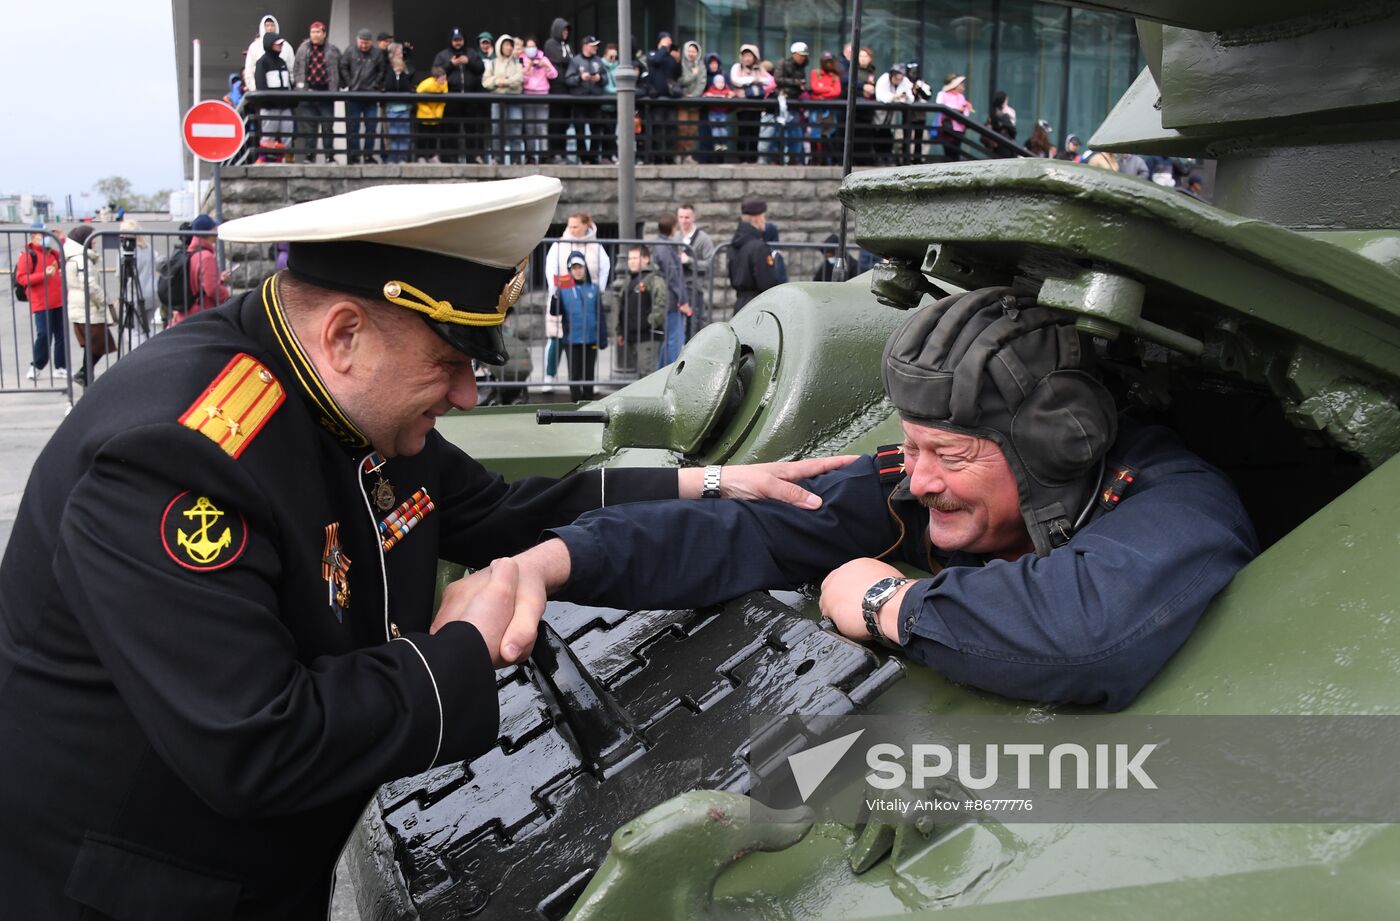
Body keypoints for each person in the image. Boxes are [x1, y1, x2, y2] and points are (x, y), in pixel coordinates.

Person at [0, 177, 848, 920]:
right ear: (344, 335)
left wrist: (713, 481)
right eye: (447, 361)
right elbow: (258, 742)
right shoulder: (179, 454)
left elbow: (503, 510)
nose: (469, 392)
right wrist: (465, 645)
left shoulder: (338, 393)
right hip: (145, 891)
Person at [480, 286, 1260, 713]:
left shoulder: (1178, 499)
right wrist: (559, 558)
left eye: (947, 454)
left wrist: (889, 600)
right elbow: (741, 529)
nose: (915, 480)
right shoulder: (920, 487)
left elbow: (1086, 632)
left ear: (1056, 446)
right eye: (912, 446)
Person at [542, 213, 611, 392]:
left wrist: (598, 290)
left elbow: (605, 267)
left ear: (585, 226)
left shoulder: (596, 246)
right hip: (563, 297)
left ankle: (588, 382)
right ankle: (549, 375)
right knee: (556, 338)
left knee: (588, 344)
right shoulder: (559, 245)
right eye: (570, 226)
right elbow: (550, 268)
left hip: (587, 297)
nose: (571, 229)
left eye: (575, 226)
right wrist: (555, 290)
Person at [64, 224, 117, 387]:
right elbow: (89, 285)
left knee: (93, 346)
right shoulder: (81, 259)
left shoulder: (76, 257)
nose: (94, 242)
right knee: (100, 344)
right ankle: (84, 374)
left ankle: (85, 376)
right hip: (88, 308)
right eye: (91, 239)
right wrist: (105, 300)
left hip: (82, 307)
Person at [549, 252, 607, 401]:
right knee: (574, 375)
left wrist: (602, 337)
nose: (577, 270)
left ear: (585, 267)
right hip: (572, 340)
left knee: (589, 374)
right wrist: (555, 296)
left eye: (580, 266)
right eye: (574, 267)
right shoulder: (563, 290)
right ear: (569, 270)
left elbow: (600, 314)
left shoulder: (594, 289)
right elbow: (555, 312)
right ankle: (575, 402)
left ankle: (588, 401)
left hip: (591, 340)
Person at [605, 243, 668, 376]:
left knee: (647, 375)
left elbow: (661, 304)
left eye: (635, 258)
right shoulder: (630, 280)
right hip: (632, 336)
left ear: (646, 258)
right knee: (641, 375)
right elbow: (622, 306)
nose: (631, 262)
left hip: (647, 336)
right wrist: (620, 331)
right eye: (629, 259)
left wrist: (648, 323)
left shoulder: (654, 279)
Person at [17, 224, 66, 383]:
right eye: (42, 234)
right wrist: (43, 275)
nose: (46, 237)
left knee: (61, 335)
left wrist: (62, 237)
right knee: (44, 334)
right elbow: (22, 278)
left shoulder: (53, 253)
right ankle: (37, 366)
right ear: (34, 236)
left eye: (48, 234)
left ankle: (60, 367)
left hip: (58, 300)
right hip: (41, 302)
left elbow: (67, 256)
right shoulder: (28, 255)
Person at [431, 28, 486, 164]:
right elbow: (435, 72)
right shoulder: (443, 55)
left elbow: (481, 68)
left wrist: (468, 62)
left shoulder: (472, 53)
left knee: (472, 130)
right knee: (450, 131)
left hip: (471, 97)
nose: (458, 43)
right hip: (451, 98)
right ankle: (451, 159)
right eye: (455, 40)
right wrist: (451, 64)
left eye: (460, 40)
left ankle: (472, 159)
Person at [292, 21, 341, 164]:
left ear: (324, 34)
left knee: (327, 126)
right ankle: (309, 156)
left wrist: (338, 86)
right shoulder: (303, 49)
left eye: (318, 32)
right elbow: (296, 69)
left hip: (326, 92)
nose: (315, 35)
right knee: (310, 127)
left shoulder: (333, 50)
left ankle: (329, 155)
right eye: (313, 32)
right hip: (308, 92)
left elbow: (340, 68)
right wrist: (299, 86)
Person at [727, 197, 783, 311]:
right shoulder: (759, 248)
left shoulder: (734, 244)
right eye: (763, 216)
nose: (764, 220)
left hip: (740, 305)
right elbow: (767, 283)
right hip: (758, 306)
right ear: (756, 219)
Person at [340, 28, 387, 164]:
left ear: (371, 42)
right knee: (353, 126)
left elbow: (381, 70)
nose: (364, 45)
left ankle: (368, 155)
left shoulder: (377, 54)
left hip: (371, 96)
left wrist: (376, 85)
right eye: (362, 42)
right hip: (354, 94)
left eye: (366, 43)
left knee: (371, 127)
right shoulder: (350, 51)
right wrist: (349, 82)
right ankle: (354, 154)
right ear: (357, 40)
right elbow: (343, 66)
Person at [650, 213, 689, 366]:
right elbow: (672, 275)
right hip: (671, 299)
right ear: (672, 228)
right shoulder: (665, 247)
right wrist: (683, 300)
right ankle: (670, 371)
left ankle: (662, 371)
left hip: (668, 297)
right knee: (674, 338)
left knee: (669, 339)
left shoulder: (660, 245)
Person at [564, 36, 609, 164]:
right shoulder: (575, 61)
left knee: (597, 129)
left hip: (595, 100)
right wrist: (580, 77)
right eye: (593, 45)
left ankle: (594, 156)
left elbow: (606, 79)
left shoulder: (599, 61)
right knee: (580, 130)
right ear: (585, 46)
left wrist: (599, 79)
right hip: (580, 100)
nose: (596, 48)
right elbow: (568, 79)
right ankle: (583, 157)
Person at [179, 213, 230, 324]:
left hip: (188, 312)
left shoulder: (191, 253)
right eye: (214, 228)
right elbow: (211, 289)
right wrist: (227, 294)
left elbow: (197, 282)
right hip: (202, 313)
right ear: (209, 232)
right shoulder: (206, 256)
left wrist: (219, 279)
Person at [482, 34, 524, 165]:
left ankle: (515, 159)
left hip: (514, 99)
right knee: (496, 128)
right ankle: (497, 158)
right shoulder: (493, 63)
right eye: (506, 45)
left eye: (511, 45)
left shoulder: (517, 62)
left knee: (516, 127)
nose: (509, 48)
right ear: (500, 46)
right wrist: (496, 81)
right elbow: (485, 81)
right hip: (497, 99)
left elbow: (519, 79)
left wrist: (505, 82)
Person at [253, 32, 295, 163]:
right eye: (278, 43)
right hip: (269, 108)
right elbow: (260, 85)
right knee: (268, 138)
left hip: (285, 106)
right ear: (270, 44)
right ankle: (265, 160)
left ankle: (288, 159)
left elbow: (287, 83)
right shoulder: (262, 63)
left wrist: (291, 101)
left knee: (288, 134)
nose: (281, 46)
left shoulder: (282, 62)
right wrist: (267, 102)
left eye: (282, 43)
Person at [675, 203, 715, 333]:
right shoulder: (676, 236)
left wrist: (689, 261)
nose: (683, 221)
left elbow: (710, 263)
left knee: (694, 324)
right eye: (680, 217)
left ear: (694, 218)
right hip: (677, 288)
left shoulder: (703, 239)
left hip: (694, 289)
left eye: (687, 217)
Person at [642, 33, 682, 164]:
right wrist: (663, 48)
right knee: (658, 128)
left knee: (671, 128)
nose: (669, 43)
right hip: (657, 99)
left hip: (670, 99)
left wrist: (677, 61)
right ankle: (658, 157)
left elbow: (677, 74)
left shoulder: (670, 57)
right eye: (666, 41)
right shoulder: (653, 54)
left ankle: (669, 157)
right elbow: (655, 61)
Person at [519, 36, 558, 164]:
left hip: (542, 94)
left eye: (533, 46)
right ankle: (529, 155)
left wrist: (546, 66)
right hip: (528, 94)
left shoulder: (543, 58)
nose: (531, 49)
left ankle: (543, 154)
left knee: (542, 126)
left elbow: (554, 74)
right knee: (530, 127)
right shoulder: (522, 59)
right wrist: (528, 68)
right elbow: (521, 79)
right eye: (528, 46)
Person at [774, 42, 810, 164]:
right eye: (800, 55)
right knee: (781, 131)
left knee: (796, 132)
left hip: (795, 102)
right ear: (794, 54)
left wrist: (802, 87)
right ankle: (779, 158)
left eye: (804, 56)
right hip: (783, 101)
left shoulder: (802, 67)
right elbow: (778, 80)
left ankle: (793, 158)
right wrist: (796, 82)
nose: (802, 58)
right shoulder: (783, 63)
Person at [242, 14, 294, 96]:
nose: (270, 28)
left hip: (284, 93)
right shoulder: (254, 46)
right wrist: (255, 89)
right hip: (260, 93)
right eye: (267, 25)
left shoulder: (286, 47)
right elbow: (249, 71)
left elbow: (292, 70)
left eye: (272, 25)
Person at [544, 18, 573, 162]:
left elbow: (569, 61)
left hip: (567, 90)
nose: (566, 33)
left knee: (564, 123)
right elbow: (561, 60)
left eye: (567, 30)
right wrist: (567, 62)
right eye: (564, 30)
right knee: (555, 122)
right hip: (556, 89)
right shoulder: (550, 44)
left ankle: (563, 152)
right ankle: (553, 153)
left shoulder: (567, 46)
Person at [729, 44, 764, 160]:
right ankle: (742, 159)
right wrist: (753, 80)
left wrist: (756, 81)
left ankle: (753, 160)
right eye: (745, 55)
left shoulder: (760, 68)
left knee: (755, 134)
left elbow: (768, 80)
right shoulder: (737, 67)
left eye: (750, 55)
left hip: (757, 107)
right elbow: (736, 80)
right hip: (743, 106)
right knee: (743, 133)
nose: (747, 58)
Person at [808, 51, 843, 165]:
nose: (828, 64)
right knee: (815, 132)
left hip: (829, 108)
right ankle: (815, 159)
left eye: (830, 61)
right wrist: (829, 89)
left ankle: (826, 161)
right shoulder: (815, 73)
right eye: (826, 61)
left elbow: (837, 92)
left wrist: (823, 92)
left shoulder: (835, 76)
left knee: (828, 133)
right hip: (817, 108)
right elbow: (814, 88)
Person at [383, 45, 416, 163]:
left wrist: (408, 54)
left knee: (403, 133)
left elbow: (410, 80)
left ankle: (402, 157)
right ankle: (392, 157)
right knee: (392, 133)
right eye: (398, 53)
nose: (400, 55)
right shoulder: (387, 69)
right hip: (391, 107)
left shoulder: (406, 70)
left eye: (402, 53)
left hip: (405, 107)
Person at [677, 41, 707, 163]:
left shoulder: (701, 65)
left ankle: (688, 155)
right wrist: (693, 75)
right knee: (682, 127)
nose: (691, 53)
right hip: (682, 101)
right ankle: (679, 154)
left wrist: (694, 95)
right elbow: (680, 81)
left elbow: (702, 82)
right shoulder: (681, 64)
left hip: (695, 102)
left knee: (692, 129)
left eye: (694, 51)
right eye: (689, 50)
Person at [414, 65, 450, 162]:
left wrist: (437, 114)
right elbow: (417, 99)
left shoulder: (444, 84)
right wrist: (428, 112)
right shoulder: (426, 84)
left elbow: (443, 101)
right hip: (424, 114)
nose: (444, 81)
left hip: (436, 116)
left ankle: (432, 156)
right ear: (435, 78)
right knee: (422, 137)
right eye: (442, 79)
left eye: (445, 78)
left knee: (433, 137)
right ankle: (420, 157)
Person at [935, 73, 973, 163]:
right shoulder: (942, 94)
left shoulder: (960, 96)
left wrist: (963, 108)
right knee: (948, 152)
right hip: (946, 127)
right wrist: (956, 109)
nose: (962, 86)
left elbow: (965, 111)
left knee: (956, 153)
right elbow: (940, 105)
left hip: (959, 129)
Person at [700, 66, 732, 162]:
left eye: (722, 82)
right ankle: (717, 144)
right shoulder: (711, 89)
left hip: (722, 113)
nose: (720, 84)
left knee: (723, 130)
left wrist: (730, 95)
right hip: (713, 113)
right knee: (715, 130)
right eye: (718, 82)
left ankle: (723, 144)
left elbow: (731, 93)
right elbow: (705, 94)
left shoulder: (726, 89)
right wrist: (708, 95)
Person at [986, 90, 1017, 158]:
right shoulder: (1003, 115)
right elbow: (1013, 130)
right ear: (1003, 101)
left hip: (995, 145)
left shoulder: (992, 113)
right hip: (1004, 144)